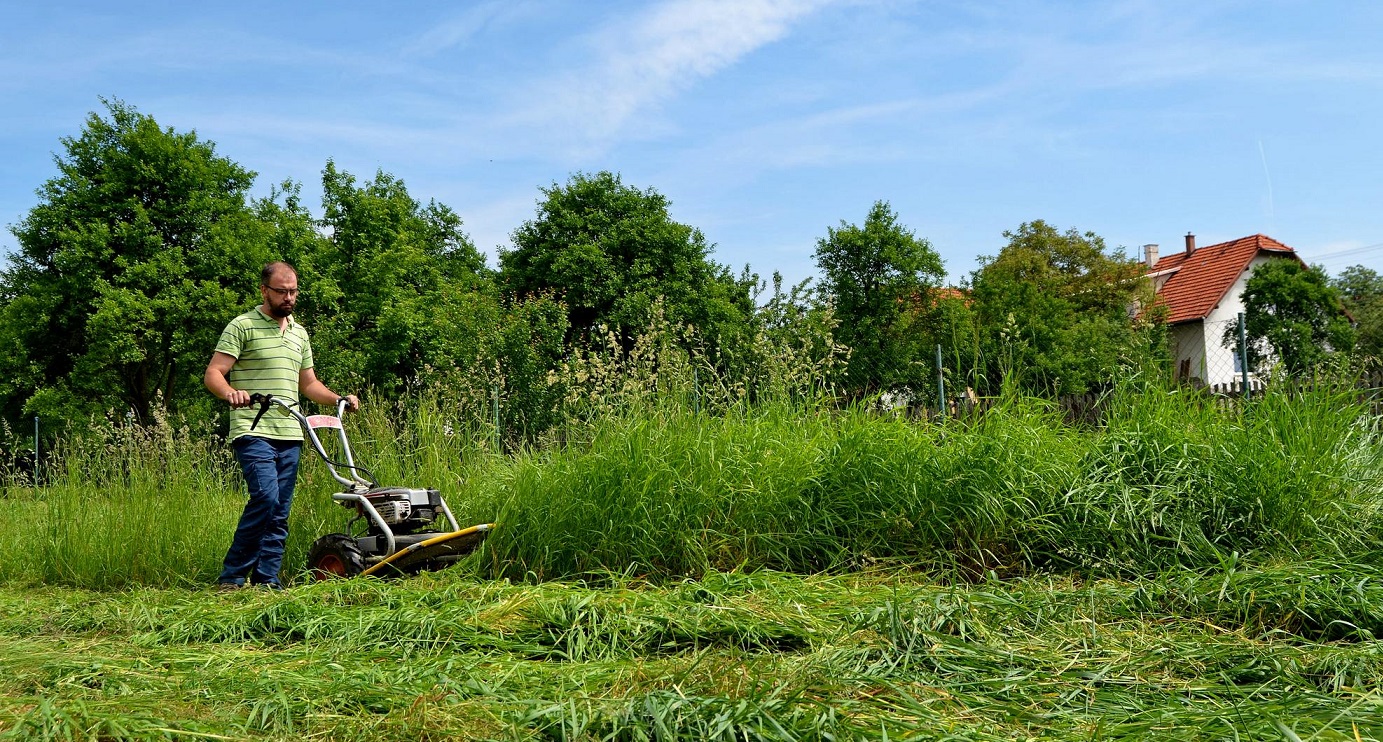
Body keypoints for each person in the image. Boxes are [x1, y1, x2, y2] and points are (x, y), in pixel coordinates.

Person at [204, 261, 359, 590]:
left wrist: (338, 399)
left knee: (279, 512)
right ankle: (232, 577)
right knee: (266, 498)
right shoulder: (242, 326)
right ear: (264, 290)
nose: (289, 297)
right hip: (253, 428)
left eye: (293, 292)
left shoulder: (299, 334)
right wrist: (232, 393)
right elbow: (214, 373)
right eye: (281, 291)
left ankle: (266, 581)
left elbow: (308, 384)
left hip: (290, 432)